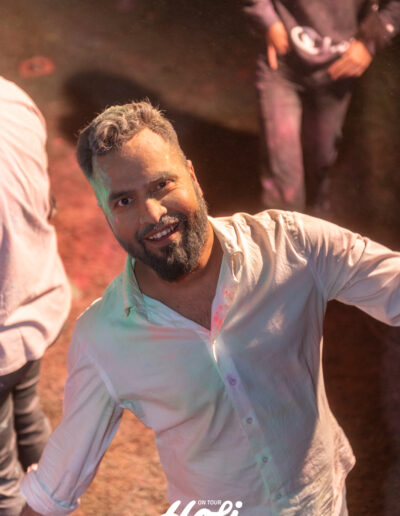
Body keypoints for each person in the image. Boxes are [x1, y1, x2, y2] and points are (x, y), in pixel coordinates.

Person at [19, 101, 399, 516]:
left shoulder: (292, 247)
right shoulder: (103, 338)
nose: (152, 214)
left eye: (161, 185)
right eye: (124, 201)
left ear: (193, 176)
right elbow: (53, 488)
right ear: (107, 215)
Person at [243, 0, 400, 212]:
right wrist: (267, 18)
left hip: (336, 72)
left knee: (319, 164)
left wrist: (370, 42)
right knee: (284, 179)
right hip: (281, 66)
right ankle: (282, 230)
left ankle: (316, 216)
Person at [0, 77, 71, 515]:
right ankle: (57, 500)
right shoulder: (12, 98)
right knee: (27, 414)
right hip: (40, 301)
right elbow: (47, 203)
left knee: (2, 481)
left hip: (3, 337)